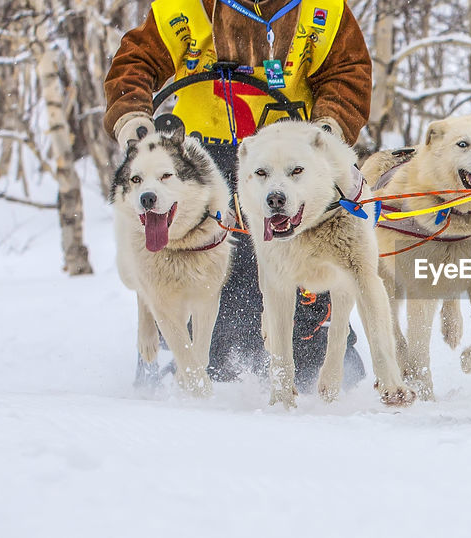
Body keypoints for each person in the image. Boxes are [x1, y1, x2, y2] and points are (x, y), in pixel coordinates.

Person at [103, 0, 372, 390]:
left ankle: (320, 361)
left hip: (282, 164)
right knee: (205, 269)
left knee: (299, 266)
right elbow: (136, 62)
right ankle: (186, 359)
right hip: (200, 163)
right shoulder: (182, 8)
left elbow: (347, 74)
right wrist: (132, 117)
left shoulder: (322, 9)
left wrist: (329, 127)